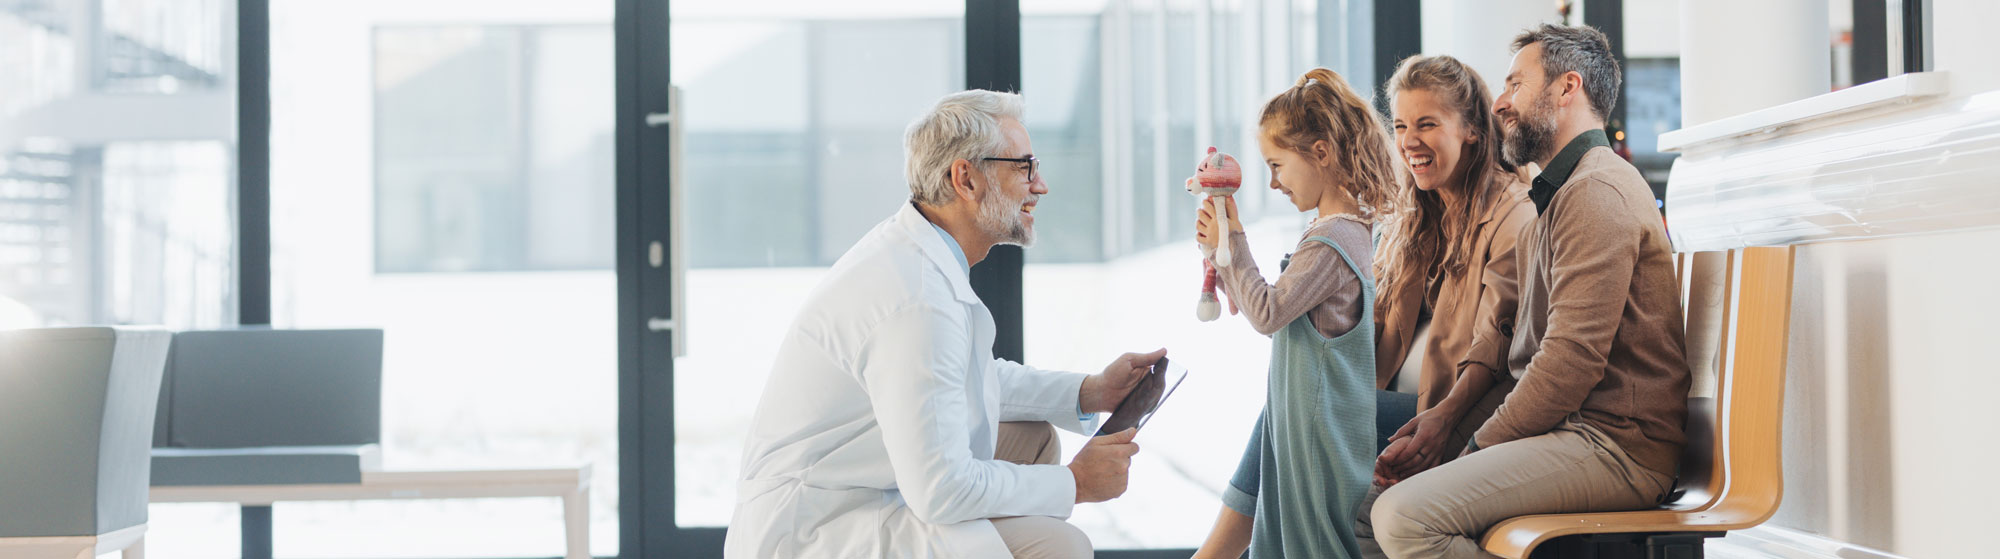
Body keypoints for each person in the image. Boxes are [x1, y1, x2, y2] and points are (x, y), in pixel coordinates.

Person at [723, 90, 1164, 559]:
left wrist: (1090, 391)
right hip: (819, 527)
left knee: (1032, 440)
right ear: (966, 179)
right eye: (1025, 167)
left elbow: (960, 377)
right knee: (1063, 547)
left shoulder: (921, 254)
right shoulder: (916, 299)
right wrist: (1074, 483)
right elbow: (941, 488)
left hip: (865, 481)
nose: (1041, 185)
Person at [1369, 24, 1692, 558]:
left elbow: (1568, 363)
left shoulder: (1596, 192)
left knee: (1404, 517)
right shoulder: (1563, 192)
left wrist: (1474, 447)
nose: (1499, 103)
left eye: (1516, 85)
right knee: (1363, 511)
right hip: (1570, 433)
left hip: (1614, 447)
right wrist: (1448, 423)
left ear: (1568, 89)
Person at [1188, 67, 1400, 559]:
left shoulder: (1333, 238)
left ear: (1320, 154)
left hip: (1317, 427)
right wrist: (1224, 258)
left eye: (1278, 165)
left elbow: (1268, 313)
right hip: (1304, 419)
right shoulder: (1337, 231)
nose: (1274, 182)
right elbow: (1274, 305)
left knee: (1311, 543)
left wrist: (1233, 243)